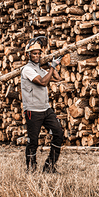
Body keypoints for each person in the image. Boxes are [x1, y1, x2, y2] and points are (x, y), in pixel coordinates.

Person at [21, 36, 65, 173]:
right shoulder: (27, 69)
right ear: (28, 55)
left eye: (39, 53)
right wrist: (51, 67)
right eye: (34, 53)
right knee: (33, 141)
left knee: (58, 134)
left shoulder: (40, 69)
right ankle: (31, 169)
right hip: (33, 111)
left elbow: (57, 78)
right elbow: (43, 82)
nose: (37, 56)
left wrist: (51, 65)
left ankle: (49, 166)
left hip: (45, 109)